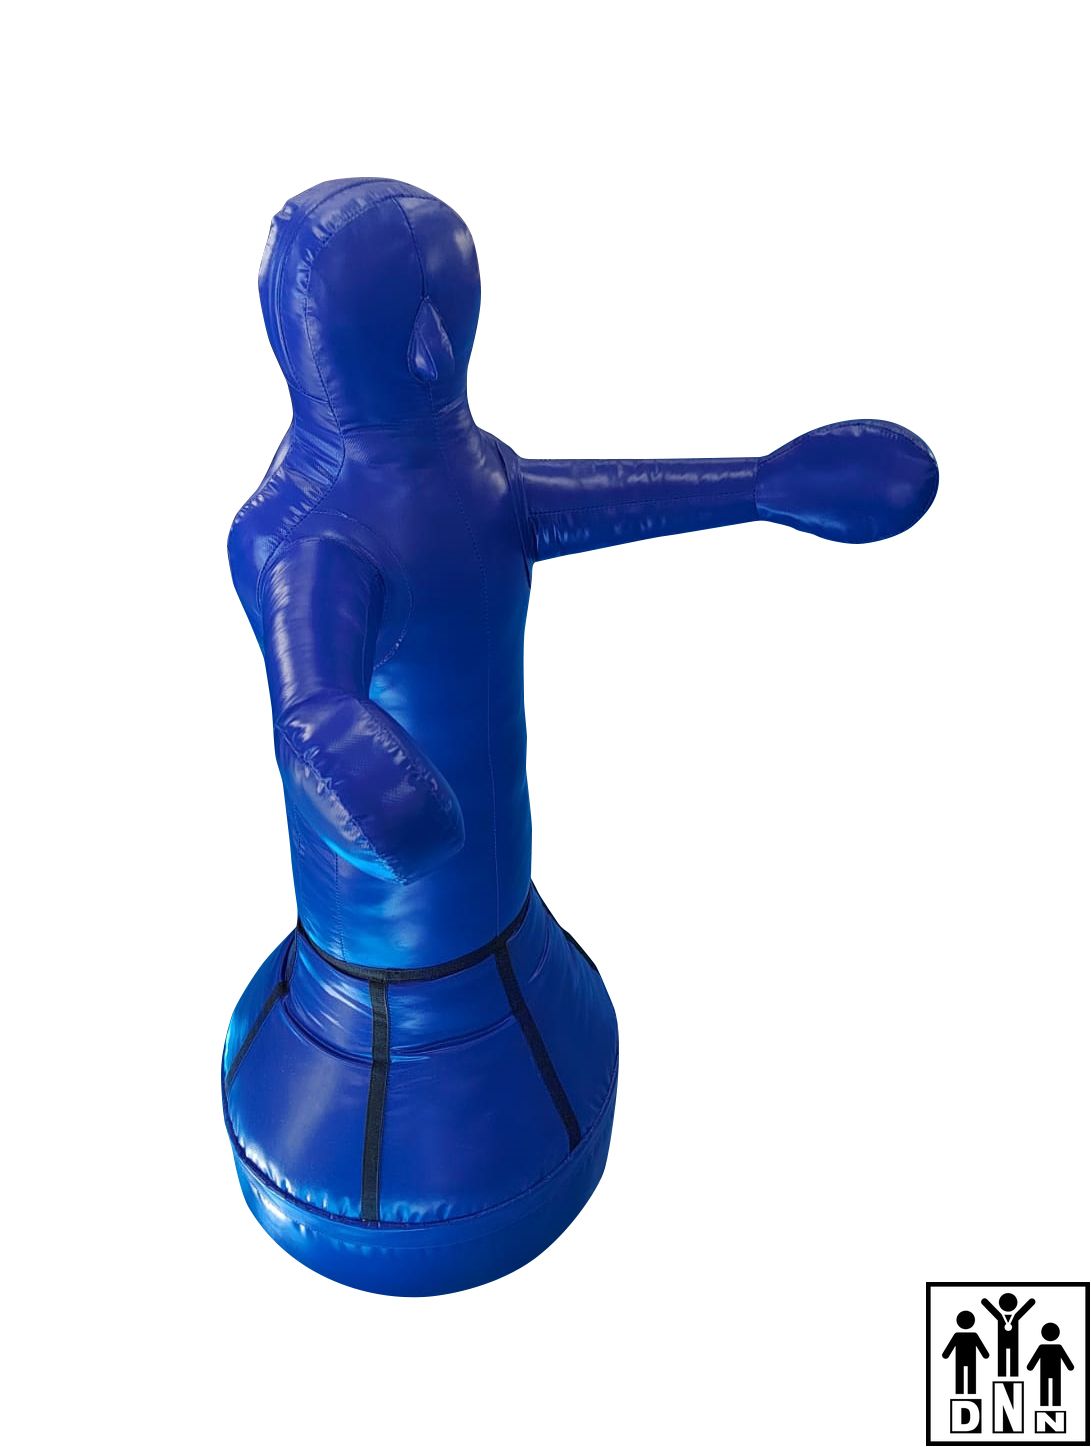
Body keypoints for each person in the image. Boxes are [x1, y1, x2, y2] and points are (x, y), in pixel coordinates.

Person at [981, 1292, 1036, 1377]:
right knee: (1002, 1359)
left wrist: (1031, 1302)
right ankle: (1002, 1374)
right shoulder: (1001, 1317)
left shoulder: (1013, 1317)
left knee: (1013, 1359)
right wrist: (984, 1302)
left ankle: (1013, 1374)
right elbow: (991, 1309)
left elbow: (1025, 1309)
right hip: (1002, 1341)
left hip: (1013, 1341)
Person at [1026, 1323, 1074, 1408]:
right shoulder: (1058, 1348)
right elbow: (1068, 1364)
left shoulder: (1042, 1348)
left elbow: (1031, 1364)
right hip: (1055, 1372)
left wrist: (1030, 1367)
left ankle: (1045, 1404)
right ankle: (1055, 1404)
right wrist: (1070, 1367)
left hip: (1045, 1372)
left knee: (1045, 1389)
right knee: (1055, 1389)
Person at [942, 1311, 990, 1395]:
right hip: (970, 1360)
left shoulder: (957, 1336)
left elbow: (946, 1352)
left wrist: (946, 1355)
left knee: (960, 1377)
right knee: (971, 1377)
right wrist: (985, 1355)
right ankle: (970, 1392)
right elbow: (984, 1352)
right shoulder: (973, 1336)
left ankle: (960, 1392)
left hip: (960, 1360)